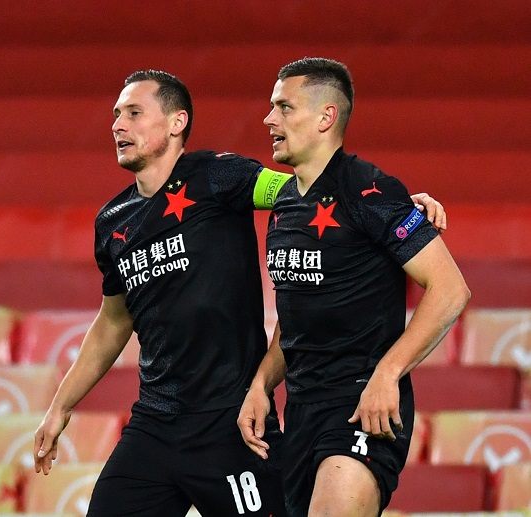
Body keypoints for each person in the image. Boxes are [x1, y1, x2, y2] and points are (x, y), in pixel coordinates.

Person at [33, 69, 445, 517]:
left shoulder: (217, 175)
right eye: (116, 114)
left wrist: (395, 207)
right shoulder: (113, 222)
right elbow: (113, 322)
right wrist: (60, 406)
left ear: (176, 122)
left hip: (232, 423)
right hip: (155, 422)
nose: (117, 125)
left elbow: (303, 191)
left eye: (133, 113)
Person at [237, 57, 470, 517]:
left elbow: (450, 289)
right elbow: (298, 314)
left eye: (284, 107)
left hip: (363, 404)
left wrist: (387, 374)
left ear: (326, 117)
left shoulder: (371, 190)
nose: (268, 120)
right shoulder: (283, 204)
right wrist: (262, 383)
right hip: (300, 412)